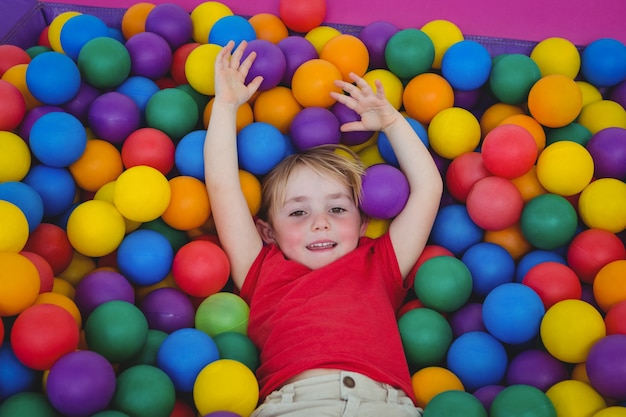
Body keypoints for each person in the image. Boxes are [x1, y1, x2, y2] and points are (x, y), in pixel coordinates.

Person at [204, 40, 443, 417]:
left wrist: (393, 122)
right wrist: (225, 106)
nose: (320, 222)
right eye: (298, 213)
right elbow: (222, 187)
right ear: (268, 232)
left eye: (336, 208)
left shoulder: (379, 262)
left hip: (386, 407)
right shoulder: (261, 268)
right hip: (296, 404)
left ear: (363, 223)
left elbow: (429, 189)